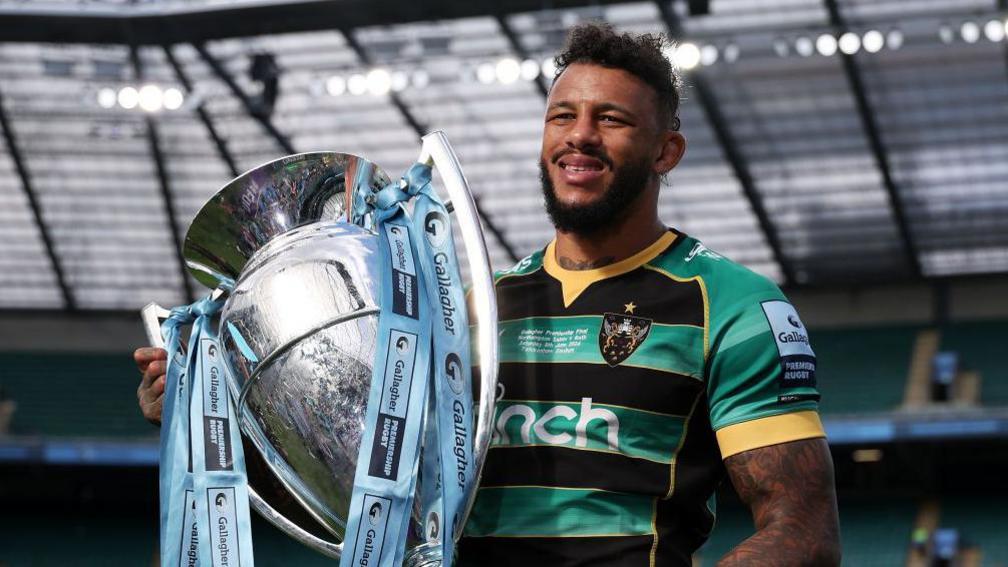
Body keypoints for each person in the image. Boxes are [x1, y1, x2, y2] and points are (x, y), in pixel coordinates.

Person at [136, 22, 840, 566]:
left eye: (613, 120)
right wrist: (205, 410)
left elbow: (804, 531)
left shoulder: (733, 306)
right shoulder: (463, 310)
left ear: (666, 152)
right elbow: (361, 478)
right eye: (562, 116)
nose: (581, 137)